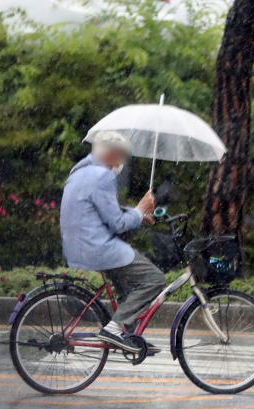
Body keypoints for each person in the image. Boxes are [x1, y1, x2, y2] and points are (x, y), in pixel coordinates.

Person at [60, 131, 166, 354]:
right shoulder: (103, 176)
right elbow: (117, 223)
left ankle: (130, 335)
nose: (121, 163)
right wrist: (140, 209)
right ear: (109, 154)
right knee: (154, 279)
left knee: (128, 285)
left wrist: (138, 215)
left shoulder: (79, 171)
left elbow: (103, 212)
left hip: (78, 245)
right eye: (120, 156)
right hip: (98, 247)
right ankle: (115, 329)